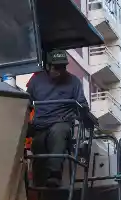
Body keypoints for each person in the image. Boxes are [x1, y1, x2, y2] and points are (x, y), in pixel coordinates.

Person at [25, 50, 85, 190]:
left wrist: (82, 112)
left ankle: (54, 174)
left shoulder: (74, 82)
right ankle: (39, 189)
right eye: (56, 67)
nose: (60, 71)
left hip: (62, 121)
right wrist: (26, 123)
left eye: (63, 67)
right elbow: (26, 102)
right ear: (47, 66)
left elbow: (82, 105)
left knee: (59, 131)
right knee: (38, 145)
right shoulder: (36, 81)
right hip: (40, 125)